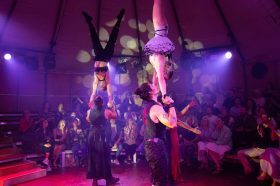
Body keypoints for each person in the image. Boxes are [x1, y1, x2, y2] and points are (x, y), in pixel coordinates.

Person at [135, 82, 177, 186]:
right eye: (153, 85)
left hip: (152, 145)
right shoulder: (155, 108)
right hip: (155, 147)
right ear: (150, 92)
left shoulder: (150, 105)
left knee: (157, 178)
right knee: (161, 180)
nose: (155, 85)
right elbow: (172, 124)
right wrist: (171, 104)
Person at [82, 9, 125, 109]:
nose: (100, 86)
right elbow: (110, 93)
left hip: (98, 56)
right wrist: (110, 100)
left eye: (100, 87)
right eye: (102, 87)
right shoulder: (107, 79)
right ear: (105, 85)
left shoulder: (96, 80)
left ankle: (89, 20)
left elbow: (93, 92)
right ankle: (119, 19)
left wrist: (90, 101)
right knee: (113, 38)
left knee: (94, 38)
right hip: (106, 57)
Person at [143, 0, 175, 104]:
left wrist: (154, 94)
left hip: (163, 29)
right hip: (160, 28)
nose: (163, 78)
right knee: (157, 2)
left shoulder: (158, 67)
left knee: (160, 3)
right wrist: (164, 95)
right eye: (165, 77)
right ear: (165, 72)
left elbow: (155, 79)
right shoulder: (161, 61)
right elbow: (160, 79)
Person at [86, 96, 119, 186]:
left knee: (93, 158)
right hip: (101, 136)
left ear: (94, 103)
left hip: (92, 135)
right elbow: (115, 116)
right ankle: (108, 180)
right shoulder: (106, 111)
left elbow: (88, 120)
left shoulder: (89, 111)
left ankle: (95, 181)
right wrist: (113, 108)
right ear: (102, 103)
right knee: (105, 157)